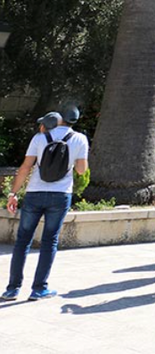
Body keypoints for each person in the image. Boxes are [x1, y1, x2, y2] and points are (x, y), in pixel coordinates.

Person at [3, 108, 90, 301]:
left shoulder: (40, 138)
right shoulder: (80, 139)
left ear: (58, 120)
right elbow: (82, 170)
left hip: (35, 193)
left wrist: (13, 193)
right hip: (60, 195)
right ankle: (39, 288)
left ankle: (12, 289)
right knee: (49, 240)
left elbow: (25, 167)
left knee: (22, 240)